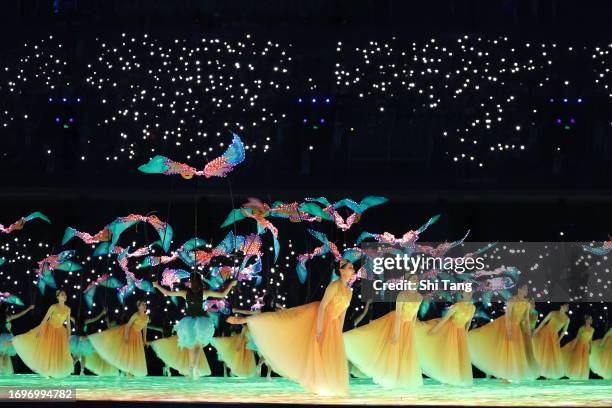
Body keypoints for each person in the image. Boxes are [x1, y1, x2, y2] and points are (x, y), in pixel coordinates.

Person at [228, 259, 355, 396]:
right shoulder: (334, 286)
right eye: (350, 267)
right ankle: (246, 319)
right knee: (286, 319)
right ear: (341, 270)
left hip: (333, 325)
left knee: (328, 354)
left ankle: (325, 384)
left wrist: (338, 332)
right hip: (317, 317)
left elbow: (342, 314)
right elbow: (323, 306)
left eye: (352, 267)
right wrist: (319, 328)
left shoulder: (349, 292)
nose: (353, 270)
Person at [152, 272, 237, 379]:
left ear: (191, 282)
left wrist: (157, 285)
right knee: (196, 346)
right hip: (200, 322)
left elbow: (168, 293)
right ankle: (192, 368)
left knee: (192, 346)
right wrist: (231, 284)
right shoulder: (204, 293)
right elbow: (222, 294)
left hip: (189, 322)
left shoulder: (186, 293)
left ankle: (192, 368)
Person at [344, 274, 423, 388]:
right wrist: (396, 333)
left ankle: (402, 377)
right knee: (394, 351)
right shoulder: (402, 295)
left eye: (416, 279)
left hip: (408, 327)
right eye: (412, 279)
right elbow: (398, 315)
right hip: (397, 324)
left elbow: (414, 315)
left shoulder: (419, 297)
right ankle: (392, 377)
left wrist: (413, 329)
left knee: (406, 352)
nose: (414, 281)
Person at [468, 285, 538, 382]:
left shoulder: (526, 303)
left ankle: (511, 374)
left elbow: (526, 319)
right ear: (519, 289)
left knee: (515, 350)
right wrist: (509, 331)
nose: (526, 290)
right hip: (506, 326)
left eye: (527, 289)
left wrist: (528, 332)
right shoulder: (512, 300)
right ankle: (504, 376)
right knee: (506, 349)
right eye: (524, 288)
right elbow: (508, 316)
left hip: (517, 328)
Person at [415, 290, 475, 386]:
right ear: (462, 294)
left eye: (470, 293)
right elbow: (444, 320)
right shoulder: (456, 306)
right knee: (450, 354)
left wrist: (465, 333)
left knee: (457, 355)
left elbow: (469, 322)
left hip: (460, 332)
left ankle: (456, 377)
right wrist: (435, 330)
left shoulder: (472, 308)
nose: (469, 294)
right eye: (466, 293)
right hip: (450, 330)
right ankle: (448, 377)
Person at [12, 290, 73, 378]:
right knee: (48, 350)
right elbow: (44, 320)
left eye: (65, 294)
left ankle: (54, 371)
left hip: (60, 332)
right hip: (49, 329)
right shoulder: (53, 307)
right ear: (58, 297)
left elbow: (68, 324)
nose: (64, 296)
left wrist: (69, 335)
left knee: (57, 352)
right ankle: (47, 370)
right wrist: (39, 330)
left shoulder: (68, 309)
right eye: (62, 295)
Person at [88, 300, 150, 377]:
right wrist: (126, 336)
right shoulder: (135, 315)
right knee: (129, 352)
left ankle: (131, 371)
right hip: (131, 333)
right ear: (139, 307)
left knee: (135, 353)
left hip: (138, 335)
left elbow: (144, 328)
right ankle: (128, 371)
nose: (144, 306)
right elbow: (128, 326)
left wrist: (144, 340)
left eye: (145, 305)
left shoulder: (147, 317)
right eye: (142, 305)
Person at [532, 303, 570, 379]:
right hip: (545, 332)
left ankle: (547, 373)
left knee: (550, 355)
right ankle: (536, 371)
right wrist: (537, 330)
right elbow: (543, 322)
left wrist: (559, 339)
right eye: (566, 306)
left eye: (568, 307)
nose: (567, 307)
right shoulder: (553, 313)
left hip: (553, 337)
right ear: (561, 306)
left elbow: (564, 331)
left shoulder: (567, 319)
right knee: (541, 351)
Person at [69, 308, 106, 375]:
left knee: (78, 356)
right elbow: (95, 318)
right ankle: (79, 370)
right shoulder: (84, 321)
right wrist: (102, 313)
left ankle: (76, 370)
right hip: (81, 339)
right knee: (80, 356)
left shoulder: (76, 320)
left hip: (79, 339)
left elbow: (68, 315)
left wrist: (102, 313)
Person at [0, 303, 35, 374]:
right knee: (5, 354)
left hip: (1, 337)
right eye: (7, 308)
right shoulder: (7, 317)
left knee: (2, 354)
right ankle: (4, 370)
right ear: (6, 309)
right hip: (7, 337)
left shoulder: (5, 317)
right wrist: (29, 308)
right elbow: (20, 314)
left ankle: (2, 369)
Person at [561, 315, 594, 380]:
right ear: (586, 320)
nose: (591, 320)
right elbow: (577, 338)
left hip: (586, 346)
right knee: (578, 361)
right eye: (590, 319)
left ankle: (582, 377)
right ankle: (575, 376)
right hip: (580, 345)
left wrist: (590, 348)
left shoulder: (592, 329)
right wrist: (573, 346)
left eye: (591, 319)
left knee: (584, 362)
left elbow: (590, 339)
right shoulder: (582, 328)